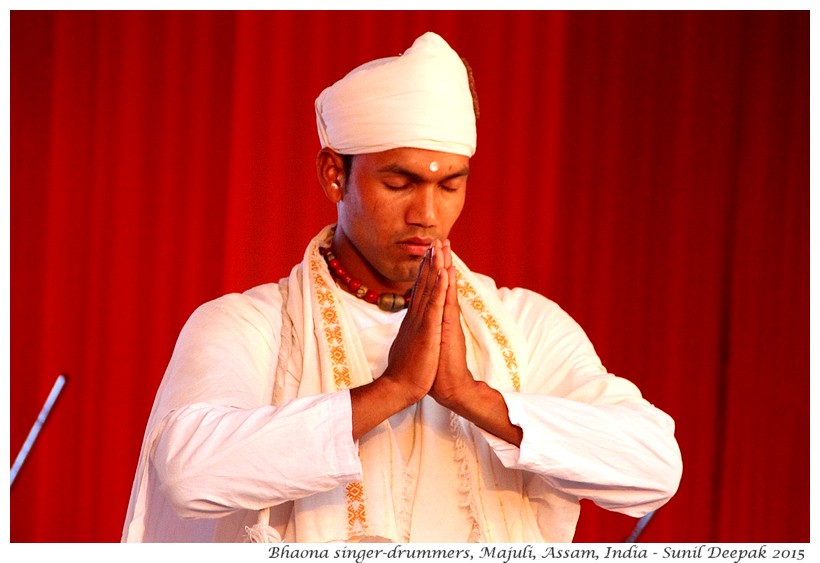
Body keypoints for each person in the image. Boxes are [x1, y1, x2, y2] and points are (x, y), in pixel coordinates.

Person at [122, 31, 682, 543]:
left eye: (450, 185)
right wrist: (393, 389)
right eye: (400, 182)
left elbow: (654, 466)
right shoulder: (253, 325)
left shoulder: (526, 325)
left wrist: (471, 397)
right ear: (334, 175)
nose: (427, 214)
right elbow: (188, 472)